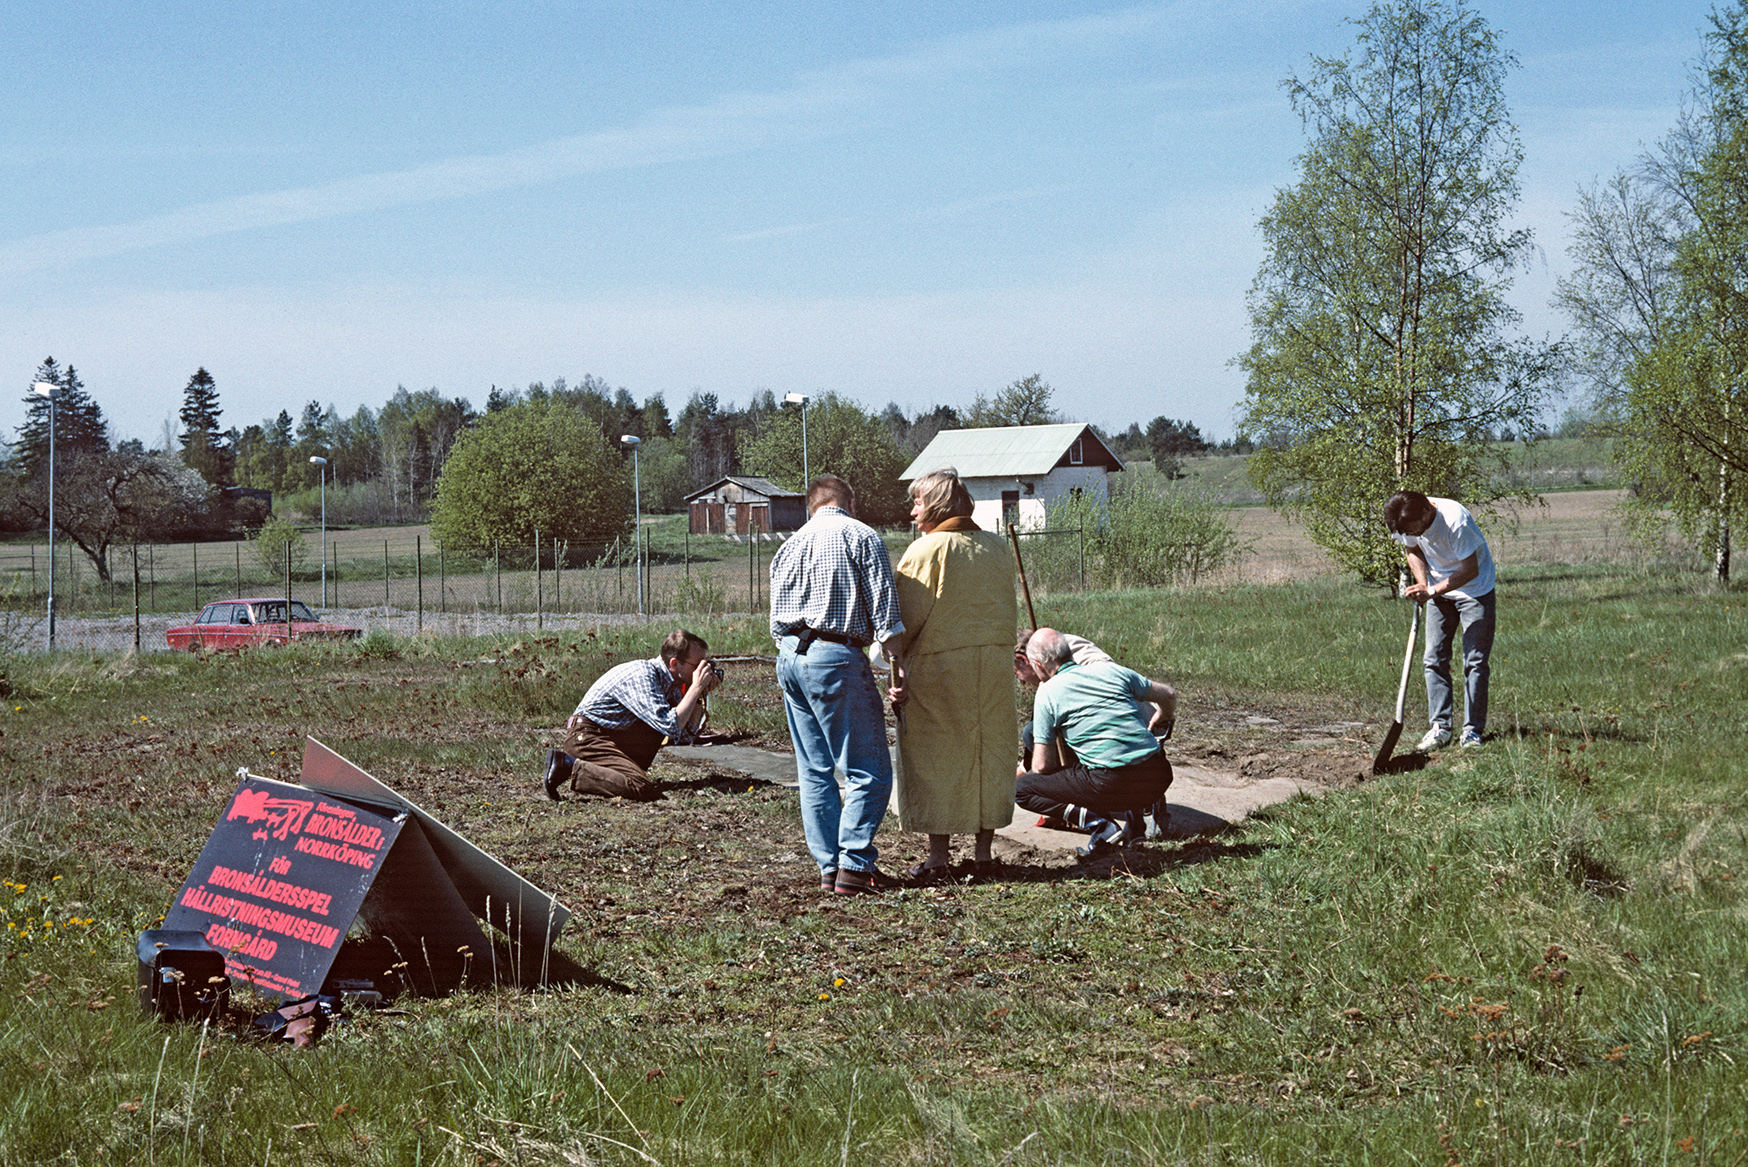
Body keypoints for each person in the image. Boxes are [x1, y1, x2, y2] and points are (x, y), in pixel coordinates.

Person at [769, 475, 908, 895]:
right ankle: (854, 864)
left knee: (814, 769)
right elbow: (886, 615)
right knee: (869, 769)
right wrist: (898, 667)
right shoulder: (861, 535)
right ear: (851, 500)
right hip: (835, 654)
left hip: (790, 655)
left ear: (810, 506)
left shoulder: (787, 545)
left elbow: (775, 617)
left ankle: (829, 867)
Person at [891, 468, 1017, 883]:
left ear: (937, 506)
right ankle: (983, 854)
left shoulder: (925, 551)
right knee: (988, 751)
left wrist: (894, 666)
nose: (912, 511)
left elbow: (904, 623)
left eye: (918, 502)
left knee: (936, 754)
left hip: (939, 670)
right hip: (993, 668)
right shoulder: (996, 547)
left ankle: (938, 857)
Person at [1016, 627, 1176, 855]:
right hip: (1159, 776)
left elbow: (1042, 766)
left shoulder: (1047, 692)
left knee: (1022, 790)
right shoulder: (1111, 671)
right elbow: (1169, 694)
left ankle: (1101, 826)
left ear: (1038, 664)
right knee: (1119, 752)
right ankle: (1139, 818)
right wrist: (1164, 714)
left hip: (1113, 785)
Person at [542, 629, 722, 801]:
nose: (703, 670)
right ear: (674, 663)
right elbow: (671, 725)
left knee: (642, 764)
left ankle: (609, 770)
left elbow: (684, 734)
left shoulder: (670, 685)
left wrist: (699, 695)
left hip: (606, 735)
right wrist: (696, 687)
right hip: (586, 736)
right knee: (640, 786)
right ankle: (565, 765)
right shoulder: (643, 675)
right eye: (698, 665)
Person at [1383, 490, 1496, 751]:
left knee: (1475, 661)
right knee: (1433, 658)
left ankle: (1472, 731)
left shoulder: (1456, 520)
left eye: (1415, 529)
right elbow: (1412, 550)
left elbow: (1470, 569)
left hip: (1474, 589)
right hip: (1437, 589)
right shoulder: (1405, 518)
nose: (1413, 534)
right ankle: (1440, 727)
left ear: (1426, 512)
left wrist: (1432, 591)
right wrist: (1423, 584)